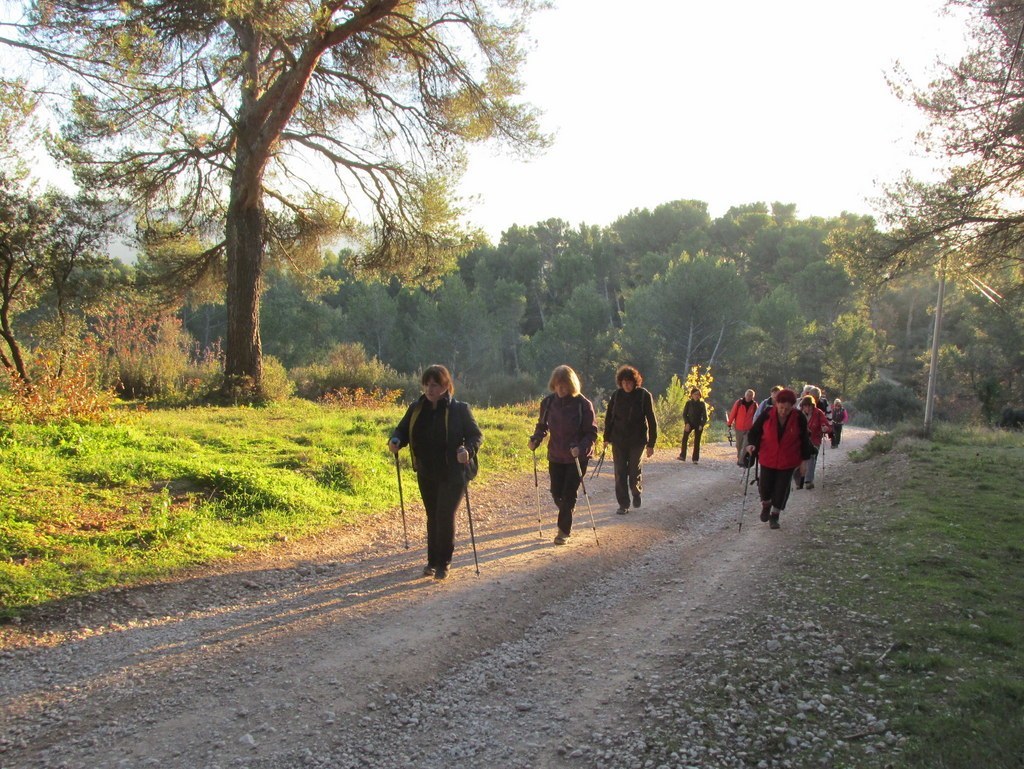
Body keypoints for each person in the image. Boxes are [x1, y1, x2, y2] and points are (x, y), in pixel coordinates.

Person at [389, 364, 482, 580]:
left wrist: (467, 450)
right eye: (426, 385)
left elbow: (476, 436)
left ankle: (443, 563)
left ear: (446, 386)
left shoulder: (460, 409)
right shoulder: (416, 408)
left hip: (454, 473)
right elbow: (402, 430)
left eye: (435, 385)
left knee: (444, 515)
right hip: (427, 471)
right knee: (432, 516)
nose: (430, 389)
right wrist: (395, 441)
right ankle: (432, 561)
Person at [528, 365, 598, 545]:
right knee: (556, 492)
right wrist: (536, 439)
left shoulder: (583, 404)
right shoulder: (548, 403)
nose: (560, 389)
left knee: (568, 493)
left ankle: (563, 531)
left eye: (564, 385)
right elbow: (542, 427)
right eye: (558, 385)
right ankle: (567, 509)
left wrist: (580, 448)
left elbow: (591, 433)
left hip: (577, 457)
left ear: (571, 385)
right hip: (556, 455)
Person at [744, 388, 811, 530]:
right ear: (776, 403)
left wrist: (804, 462)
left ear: (793, 406)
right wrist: (751, 445)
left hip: (788, 460)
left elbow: (805, 440)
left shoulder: (799, 418)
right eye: (781, 407)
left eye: (787, 409)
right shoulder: (767, 414)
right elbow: (754, 432)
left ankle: (775, 515)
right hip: (768, 457)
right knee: (764, 487)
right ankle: (766, 505)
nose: (783, 411)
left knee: (781, 489)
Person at [603, 365, 658, 515]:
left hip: (637, 441)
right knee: (620, 472)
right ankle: (623, 504)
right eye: (624, 382)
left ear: (635, 382)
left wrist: (651, 443)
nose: (626, 385)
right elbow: (609, 418)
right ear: (620, 383)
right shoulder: (616, 396)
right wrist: (606, 438)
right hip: (618, 440)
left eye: (629, 382)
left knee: (634, 471)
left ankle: (636, 491)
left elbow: (652, 420)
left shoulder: (643, 395)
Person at [794, 395, 831, 490]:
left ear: (813, 405)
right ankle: (799, 481)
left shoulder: (818, 413)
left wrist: (825, 428)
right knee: (797, 460)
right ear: (802, 406)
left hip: (815, 440)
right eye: (805, 406)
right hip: (800, 441)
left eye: (810, 406)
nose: (808, 408)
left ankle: (808, 480)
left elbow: (826, 424)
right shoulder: (797, 414)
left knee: (811, 457)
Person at [726, 389, 757, 467]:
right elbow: (733, 413)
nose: (749, 397)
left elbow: (756, 416)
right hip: (739, 427)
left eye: (751, 396)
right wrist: (729, 423)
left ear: (753, 397)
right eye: (748, 395)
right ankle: (739, 457)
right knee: (739, 445)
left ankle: (741, 461)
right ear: (745, 395)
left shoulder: (754, 405)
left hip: (749, 428)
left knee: (745, 444)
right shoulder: (739, 403)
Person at [678, 387, 708, 463]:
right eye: (695, 394)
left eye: (698, 394)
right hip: (690, 423)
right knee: (684, 438)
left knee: (697, 441)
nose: (697, 396)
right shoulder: (688, 403)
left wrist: (702, 425)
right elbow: (684, 414)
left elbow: (705, 417)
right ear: (692, 395)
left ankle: (695, 459)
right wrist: (687, 423)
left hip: (698, 424)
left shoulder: (702, 404)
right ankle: (682, 455)